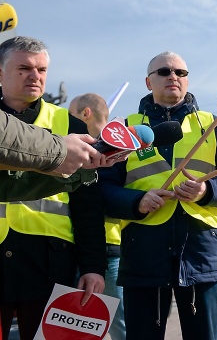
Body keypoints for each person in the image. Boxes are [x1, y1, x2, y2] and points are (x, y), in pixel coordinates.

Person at [98, 51, 217, 340]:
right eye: (164, 72)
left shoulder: (212, 125)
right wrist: (136, 202)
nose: (173, 76)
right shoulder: (126, 129)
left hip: (201, 251)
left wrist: (206, 191)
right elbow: (102, 188)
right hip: (143, 252)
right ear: (149, 82)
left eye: (181, 72)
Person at [0, 36, 106, 340]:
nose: (35, 76)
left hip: (49, 263)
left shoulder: (69, 124)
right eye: (24, 68)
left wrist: (93, 266)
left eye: (42, 69)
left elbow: (88, 204)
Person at [69, 92, 126, 340]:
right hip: (88, 247)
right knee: (86, 326)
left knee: (117, 324)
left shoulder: (114, 153)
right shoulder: (120, 148)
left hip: (108, 251)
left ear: (85, 114)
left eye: (71, 115)